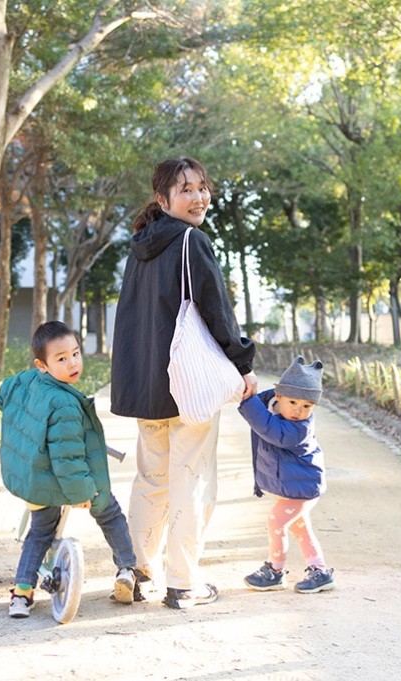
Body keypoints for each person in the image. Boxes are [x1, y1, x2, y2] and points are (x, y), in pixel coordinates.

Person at [111, 157, 257, 609]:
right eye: (185, 190)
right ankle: (183, 582)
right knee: (190, 480)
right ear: (163, 199)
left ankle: (135, 571)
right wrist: (242, 363)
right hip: (187, 385)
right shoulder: (192, 241)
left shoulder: (139, 248)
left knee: (151, 480)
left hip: (146, 387)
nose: (197, 198)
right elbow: (216, 311)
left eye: (201, 188)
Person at [0, 321, 138, 619]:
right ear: (43, 364)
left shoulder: (24, 381)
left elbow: (4, 396)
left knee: (40, 531)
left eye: (75, 353)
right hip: (59, 482)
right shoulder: (65, 405)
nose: (72, 363)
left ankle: (21, 593)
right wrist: (85, 492)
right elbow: (68, 458)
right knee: (108, 510)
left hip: (32, 479)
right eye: (61, 359)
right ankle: (127, 568)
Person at [237, 356, 335, 594]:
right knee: (300, 527)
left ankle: (275, 570)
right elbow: (265, 407)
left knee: (276, 522)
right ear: (277, 396)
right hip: (295, 486)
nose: (298, 411)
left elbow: (271, 430)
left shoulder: (297, 429)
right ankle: (319, 570)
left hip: (304, 488)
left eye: (307, 406)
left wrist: (249, 402)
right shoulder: (272, 406)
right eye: (293, 402)